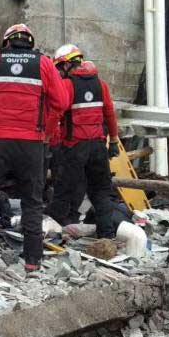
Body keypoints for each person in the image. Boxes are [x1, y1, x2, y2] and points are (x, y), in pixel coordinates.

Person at [0, 23, 68, 272]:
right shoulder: (43, 64)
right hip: (31, 143)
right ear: (30, 42)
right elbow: (61, 101)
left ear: (7, 42)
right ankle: (32, 259)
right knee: (32, 200)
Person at [45, 61, 120, 239]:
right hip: (98, 146)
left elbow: (56, 113)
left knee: (63, 190)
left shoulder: (67, 85)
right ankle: (106, 235)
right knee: (101, 192)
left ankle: (50, 231)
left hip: (73, 147)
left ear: (67, 66)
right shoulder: (101, 85)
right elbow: (109, 114)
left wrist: (46, 137)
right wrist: (114, 140)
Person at [44, 43, 87, 224]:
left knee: (64, 180)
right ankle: (61, 215)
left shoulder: (68, 84)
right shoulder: (65, 83)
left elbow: (57, 113)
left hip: (60, 141)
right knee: (62, 180)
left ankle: (62, 216)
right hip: (57, 140)